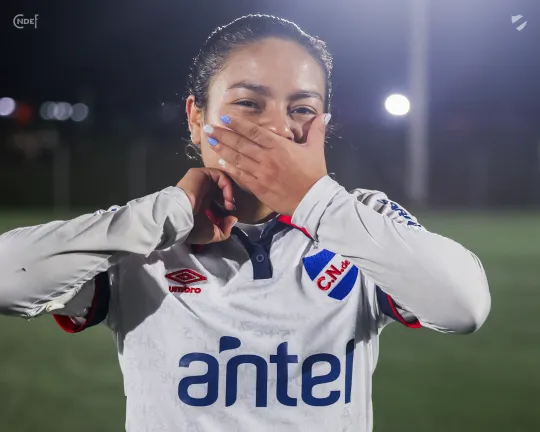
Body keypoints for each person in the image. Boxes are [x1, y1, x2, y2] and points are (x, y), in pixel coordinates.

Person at [0, 14, 491, 432]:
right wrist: (169, 213)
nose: (277, 126)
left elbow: (464, 307)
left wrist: (317, 203)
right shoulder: (143, 236)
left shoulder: (361, 221)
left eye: (302, 108)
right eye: (249, 103)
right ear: (196, 118)